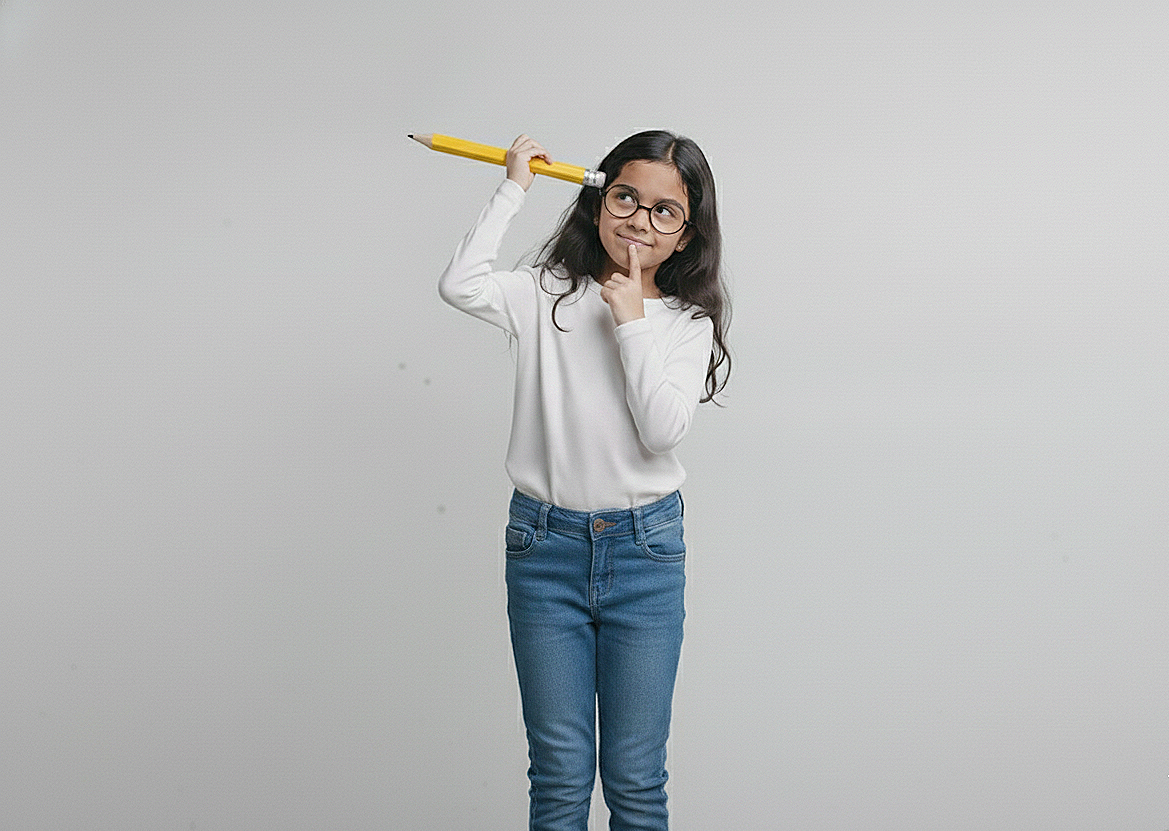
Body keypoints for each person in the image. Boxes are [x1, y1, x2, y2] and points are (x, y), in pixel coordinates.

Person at [438, 130, 730, 831]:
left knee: (634, 777)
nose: (639, 219)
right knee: (560, 774)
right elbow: (460, 284)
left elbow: (661, 429)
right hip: (544, 548)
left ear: (686, 236)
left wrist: (630, 318)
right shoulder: (545, 295)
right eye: (626, 197)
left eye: (665, 211)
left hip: (644, 554)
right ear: (597, 198)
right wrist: (512, 186)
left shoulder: (684, 323)